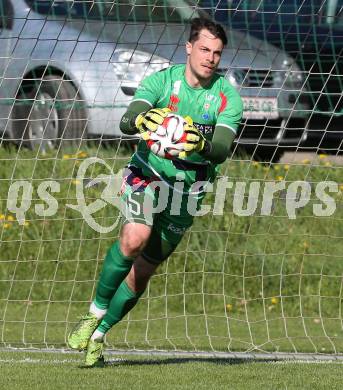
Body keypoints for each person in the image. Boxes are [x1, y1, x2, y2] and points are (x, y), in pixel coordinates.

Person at [67, 17, 243, 367]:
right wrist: (140, 120)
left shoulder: (227, 96)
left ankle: (99, 335)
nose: (210, 57)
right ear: (189, 47)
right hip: (147, 172)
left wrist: (200, 143)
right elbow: (130, 116)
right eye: (204, 49)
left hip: (189, 188)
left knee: (144, 270)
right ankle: (92, 314)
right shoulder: (163, 80)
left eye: (217, 53)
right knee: (135, 237)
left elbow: (222, 147)